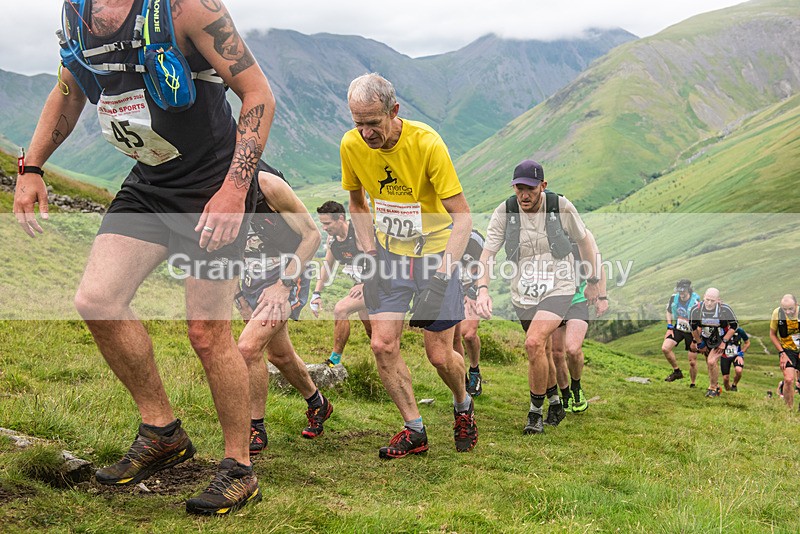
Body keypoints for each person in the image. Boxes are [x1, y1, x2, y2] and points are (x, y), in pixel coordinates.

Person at [13, 0, 274, 515]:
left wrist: (234, 190)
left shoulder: (187, 9)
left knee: (206, 332)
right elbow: (68, 93)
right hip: (150, 181)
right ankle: (162, 433)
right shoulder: (77, 13)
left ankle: (239, 468)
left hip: (213, 186)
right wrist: (33, 166)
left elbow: (257, 93)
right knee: (97, 299)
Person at [341, 73, 477, 458]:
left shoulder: (427, 143)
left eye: (373, 122)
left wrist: (443, 274)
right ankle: (414, 429)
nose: (365, 132)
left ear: (394, 111)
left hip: (436, 256)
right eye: (358, 123)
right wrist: (368, 257)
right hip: (389, 257)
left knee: (439, 355)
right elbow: (356, 203)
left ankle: (463, 403)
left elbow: (463, 217)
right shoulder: (351, 145)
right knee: (382, 344)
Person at [476, 160, 601, 434]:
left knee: (533, 342)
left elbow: (584, 241)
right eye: (519, 188)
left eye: (530, 188)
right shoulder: (505, 212)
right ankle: (555, 400)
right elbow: (487, 254)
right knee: (541, 350)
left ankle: (535, 413)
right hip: (524, 292)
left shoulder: (560, 206)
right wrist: (482, 289)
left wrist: (592, 280)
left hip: (560, 285)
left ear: (542, 186)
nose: (524, 195)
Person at [234, 165, 333, 457]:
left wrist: (283, 286)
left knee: (248, 348)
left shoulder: (268, 185)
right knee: (280, 355)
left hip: (287, 276)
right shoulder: (211, 184)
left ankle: (256, 427)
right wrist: (239, 295)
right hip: (251, 281)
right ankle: (318, 404)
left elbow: (312, 236)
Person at [549, 229, 609, 417]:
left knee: (573, 349)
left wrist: (603, 297)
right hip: (553, 299)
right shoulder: (542, 233)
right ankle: (565, 394)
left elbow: (598, 267)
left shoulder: (582, 235)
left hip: (577, 298)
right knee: (557, 353)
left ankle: (576, 387)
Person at [310, 201, 372, 367]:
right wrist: (316, 294)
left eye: (327, 223)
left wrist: (365, 284)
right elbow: (327, 266)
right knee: (372, 332)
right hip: (360, 286)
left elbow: (379, 260)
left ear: (341, 218)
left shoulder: (358, 234)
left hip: (376, 284)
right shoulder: (333, 241)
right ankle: (387, 361)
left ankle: (334, 360)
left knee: (340, 309)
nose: (324, 228)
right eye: (322, 223)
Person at [689, 288, 739, 398]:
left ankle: (712, 389)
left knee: (712, 362)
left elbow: (734, 326)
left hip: (721, 338)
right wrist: (699, 343)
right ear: (703, 298)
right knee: (709, 363)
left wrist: (724, 342)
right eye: (707, 300)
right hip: (705, 337)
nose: (709, 303)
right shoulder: (696, 310)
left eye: (713, 300)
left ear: (718, 300)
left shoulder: (725, 309)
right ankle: (716, 386)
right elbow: (692, 328)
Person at [453, 230, 485, 397]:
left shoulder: (474, 239)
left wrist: (473, 292)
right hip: (450, 290)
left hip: (471, 288)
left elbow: (486, 267)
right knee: (454, 337)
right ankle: (461, 378)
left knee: (469, 335)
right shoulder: (438, 233)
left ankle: (474, 370)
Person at [662, 279, 701, 386]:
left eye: (683, 291)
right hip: (678, 328)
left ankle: (692, 383)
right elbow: (669, 311)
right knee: (665, 348)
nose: (681, 293)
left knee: (692, 362)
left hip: (692, 332)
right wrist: (669, 327)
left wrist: (695, 340)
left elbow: (699, 324)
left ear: (688, 290)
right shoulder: (674, 298)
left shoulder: (695, 303)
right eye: (679, 291)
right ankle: (677, 372)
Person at [769, 294, 800, 409]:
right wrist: (782, 353)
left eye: (790, 309)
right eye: (785, 309)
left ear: (796, 305)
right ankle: (789, 409)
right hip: (787, 349)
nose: (787, 312)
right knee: (788, 379)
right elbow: (772, 334)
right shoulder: (777, 313)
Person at [720, 326, 749, 392]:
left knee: (739, 371)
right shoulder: (722, 330)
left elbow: (747, 343)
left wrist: (741, 353)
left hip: (737, 355)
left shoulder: (739, 330)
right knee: (725, 378)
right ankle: (728, 391)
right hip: (725, 356)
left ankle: (734, 385)